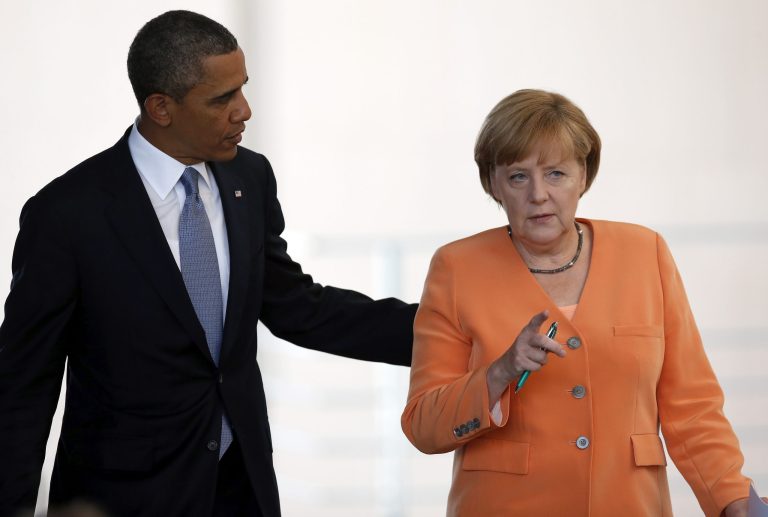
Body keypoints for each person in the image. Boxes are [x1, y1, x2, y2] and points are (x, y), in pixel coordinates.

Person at [0, 10, 416, 517]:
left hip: (241, 489)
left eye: (243, 88)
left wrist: (451, 331)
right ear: (161, 107)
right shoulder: (67, 213)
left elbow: (297, 307)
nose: (244, 111)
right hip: (124, 498)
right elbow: (24, 385)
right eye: (222, 99)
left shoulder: (250, 178)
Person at [401, 89, 762, 516]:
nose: (538, 194)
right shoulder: (457, 268)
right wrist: (499, 372)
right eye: (518, 177)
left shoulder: (645, 253)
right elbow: (424, 425)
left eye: (556, 173)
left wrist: (733, 500)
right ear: (493, 184)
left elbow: (693, 409)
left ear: (583, 175)